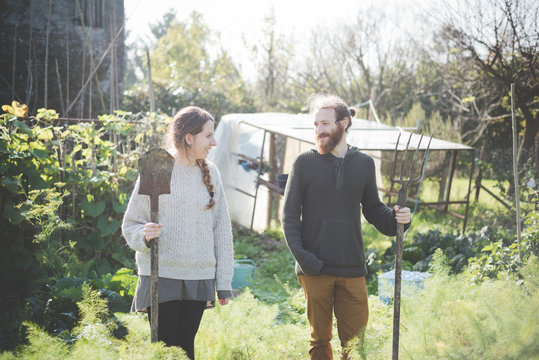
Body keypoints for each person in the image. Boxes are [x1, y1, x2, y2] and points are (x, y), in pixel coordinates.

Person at [282, 95, 411, 360]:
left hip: (352, 268)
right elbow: (289, 216)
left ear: (344, 123)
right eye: (316, 124)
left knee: (355, 344)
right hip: (314, 268)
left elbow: (373, 209)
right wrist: (303, 258)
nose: (319, 130)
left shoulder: (364, 164)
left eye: (325, 124)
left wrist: (398, 219)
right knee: (319, 341)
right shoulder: (304, 163)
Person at [122, 106, 234, 360]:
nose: (214, 142)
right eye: (208, 136)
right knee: (164, 350)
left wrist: (224, 282)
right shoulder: (157, 168)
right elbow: (131, 225)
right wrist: (144, 234)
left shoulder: (211, 172)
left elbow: (221, 231)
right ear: (189, 138)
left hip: (198, 276)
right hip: (162, 276)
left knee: (185, 349)